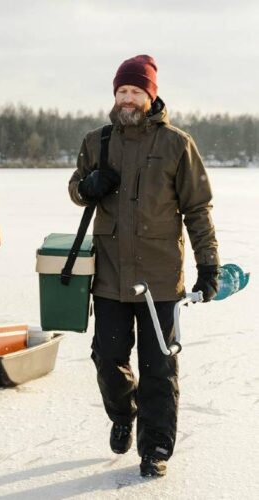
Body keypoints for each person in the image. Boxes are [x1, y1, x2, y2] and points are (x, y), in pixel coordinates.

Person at [69, 55, 220, 477]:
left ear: (150, 95)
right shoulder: (96, 140)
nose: (128, 99)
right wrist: (87, 186)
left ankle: (155, 448)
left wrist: (208, 265)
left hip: (159, 282)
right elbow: (76, 189)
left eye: (136, 91)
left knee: (159, 368)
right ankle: (123, 413)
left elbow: (197, 209)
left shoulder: (177, 144)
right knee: (107, 360)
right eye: (122, 91)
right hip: (110, 275)